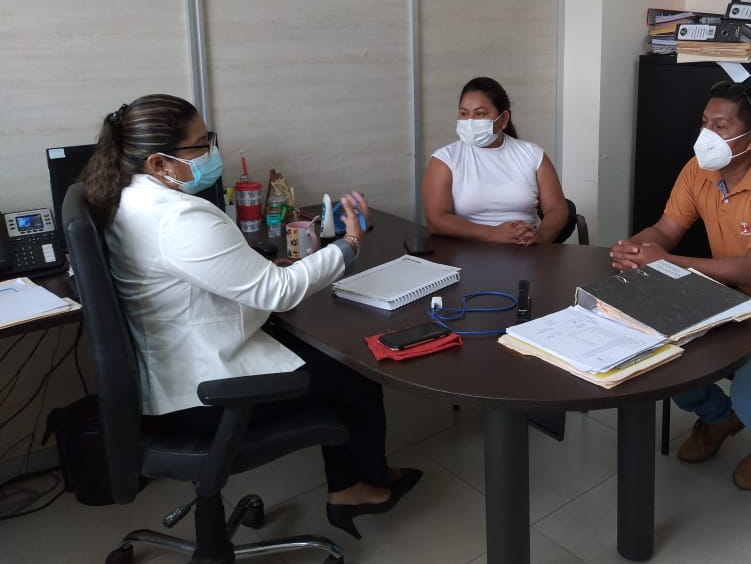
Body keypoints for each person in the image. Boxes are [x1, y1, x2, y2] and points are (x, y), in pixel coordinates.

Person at [80, 94, 420, 540]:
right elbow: (279, 292)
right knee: (354, 372)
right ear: (159, 164)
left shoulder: (124, 201)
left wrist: (258, 269)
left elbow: (191, 276)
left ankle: (351, 483)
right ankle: (361, 486)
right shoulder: (179, 218)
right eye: (199, 145)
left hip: (169, 372)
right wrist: (349, 244)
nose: (210, 153)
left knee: (329, 361)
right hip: (204, 395)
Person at [610, 81, 751, 490]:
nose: (706, 135)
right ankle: (720, 417)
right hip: (730, 302)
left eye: (720, 125)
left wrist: (666, 261)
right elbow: (666, 229)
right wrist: (635, 248)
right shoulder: (699, 169)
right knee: (663, 360)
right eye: (704, 122)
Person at [422, 76, 569, 245]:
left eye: (480, 114)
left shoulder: (533, 155)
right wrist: (493, 233)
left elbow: (557, 209)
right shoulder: (445, 159)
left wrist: (540, 237)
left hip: (525, 250)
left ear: (504, 119)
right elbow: (436, 220)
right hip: (467, 251)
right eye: (464, 113)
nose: (470, 121)